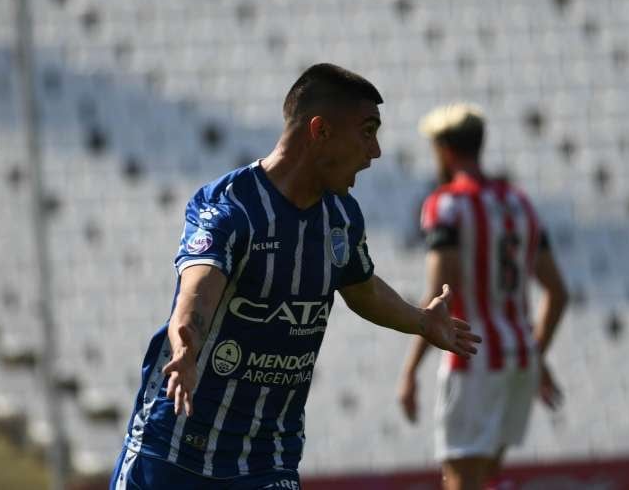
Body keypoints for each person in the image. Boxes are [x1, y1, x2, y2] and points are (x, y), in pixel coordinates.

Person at [110, 65, 482, 489]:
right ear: (320, 130)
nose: (375, 151)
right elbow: (197, 291)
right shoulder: (231, 209)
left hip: (267, 458)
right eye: (367, 131)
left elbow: (363, 289)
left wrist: (420, 320)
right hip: (175, 451)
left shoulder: (341, 218)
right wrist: (186, 344)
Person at [396, 103, 569, 490]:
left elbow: (438, 293)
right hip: (519, 359)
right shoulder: (519, 203)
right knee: (486, 477)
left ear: (443, 150)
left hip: (472, 361)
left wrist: (409, 372)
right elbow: (558, 293)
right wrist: (536, 353)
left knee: (460, 478)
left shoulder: (447, 203)